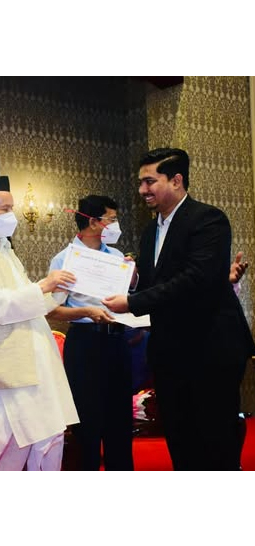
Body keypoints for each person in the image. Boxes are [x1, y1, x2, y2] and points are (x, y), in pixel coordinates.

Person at [102, 148, 255, 470]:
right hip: (170, 352)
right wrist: (133, 282)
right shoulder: (150, 232)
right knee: (180, 438)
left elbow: (196, 279)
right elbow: (155, 284)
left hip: (210, 349)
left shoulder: (208, 219)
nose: (142, 190)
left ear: (176, 180)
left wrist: (132, 302)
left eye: (149, 181)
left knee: (215, 440)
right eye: (140, 182)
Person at [0, 175, 79, 471]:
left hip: (32, 366)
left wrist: (59, 291)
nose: (12, 215)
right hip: (0, 370)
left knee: (47, 440)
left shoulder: (4, 249)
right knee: (3, 451)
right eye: (4, 208)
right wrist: (44, 285)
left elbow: (28, 305)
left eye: (12, 208)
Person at [48, 195, 135, 470]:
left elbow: (126, 298)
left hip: (117, 339)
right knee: (87, 420)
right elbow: (51, 310)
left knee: (120, 419)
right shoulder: (64, 260)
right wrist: (85, 312)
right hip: (85, 343)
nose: (115, 225)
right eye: (111, 219)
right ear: (94, 222)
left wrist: (132, 280)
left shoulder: (117, 257)